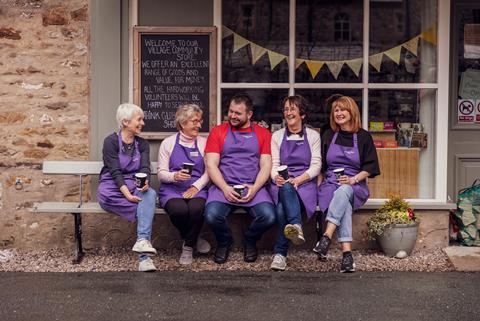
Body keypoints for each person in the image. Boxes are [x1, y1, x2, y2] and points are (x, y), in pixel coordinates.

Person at [204, 93, 276, 264]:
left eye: (238, 113)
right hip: (224, 186)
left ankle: (250, 240)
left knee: (269, 216)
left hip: (253, 186)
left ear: (249, 115)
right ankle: (224, 241)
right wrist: (224, 188)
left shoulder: (263, 133)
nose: (233, 116)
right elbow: (211, 164)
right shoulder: (218, 132)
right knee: (211, 215)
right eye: (231, 111)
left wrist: (255, 188)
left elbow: (266, 165)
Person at [316, 96, 380, 273]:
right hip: (330, 185)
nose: (339, 113)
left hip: (356, 185)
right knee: (342, 200)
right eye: (336, 110)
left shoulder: (363, 137)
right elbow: (321, 166)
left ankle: (327, 236)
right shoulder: (328, 134)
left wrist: (353, 180)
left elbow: (371, 166)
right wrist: (317, 188)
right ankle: (347, 257)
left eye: (343, 109)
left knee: (345, 189)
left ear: (352, 112)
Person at [97, 103, 157, 272]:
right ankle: (144, 255)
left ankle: (143, 249)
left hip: (134, 183)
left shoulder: (143, 144)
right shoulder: (110, 142)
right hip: (112, 187)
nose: (142, 123)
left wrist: (145, 182)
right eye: (139, 120)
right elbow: (115, 171)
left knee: (149, 194)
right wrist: (128, 196)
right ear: (125, 122)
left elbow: (145, 168)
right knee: (146, 206)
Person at [269, 95, 321, 271]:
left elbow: (316, 165)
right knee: (286, 188)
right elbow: (274, 165)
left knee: (281, 210)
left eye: (292, 109)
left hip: (305, 184)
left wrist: (299, 179)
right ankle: (296, 226)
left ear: (302, 114)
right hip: (282, 184)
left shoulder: (313, 136)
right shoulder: (276, 136)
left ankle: (280, 255)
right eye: (286, 109)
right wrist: (276, 176)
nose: (288, 113)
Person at [157, 104, 211, 265]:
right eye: (195, 121)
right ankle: (194, 237)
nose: (199, 125)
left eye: (200, 121)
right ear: (182, 123)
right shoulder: (167, 143)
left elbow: (209, 171)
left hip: (197, 188)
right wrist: (174, 176)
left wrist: (196, 187)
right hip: (172, 189)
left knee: (196, 209)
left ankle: (187, 247)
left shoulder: (204, 143)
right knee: (179, 210)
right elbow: (161, 173)